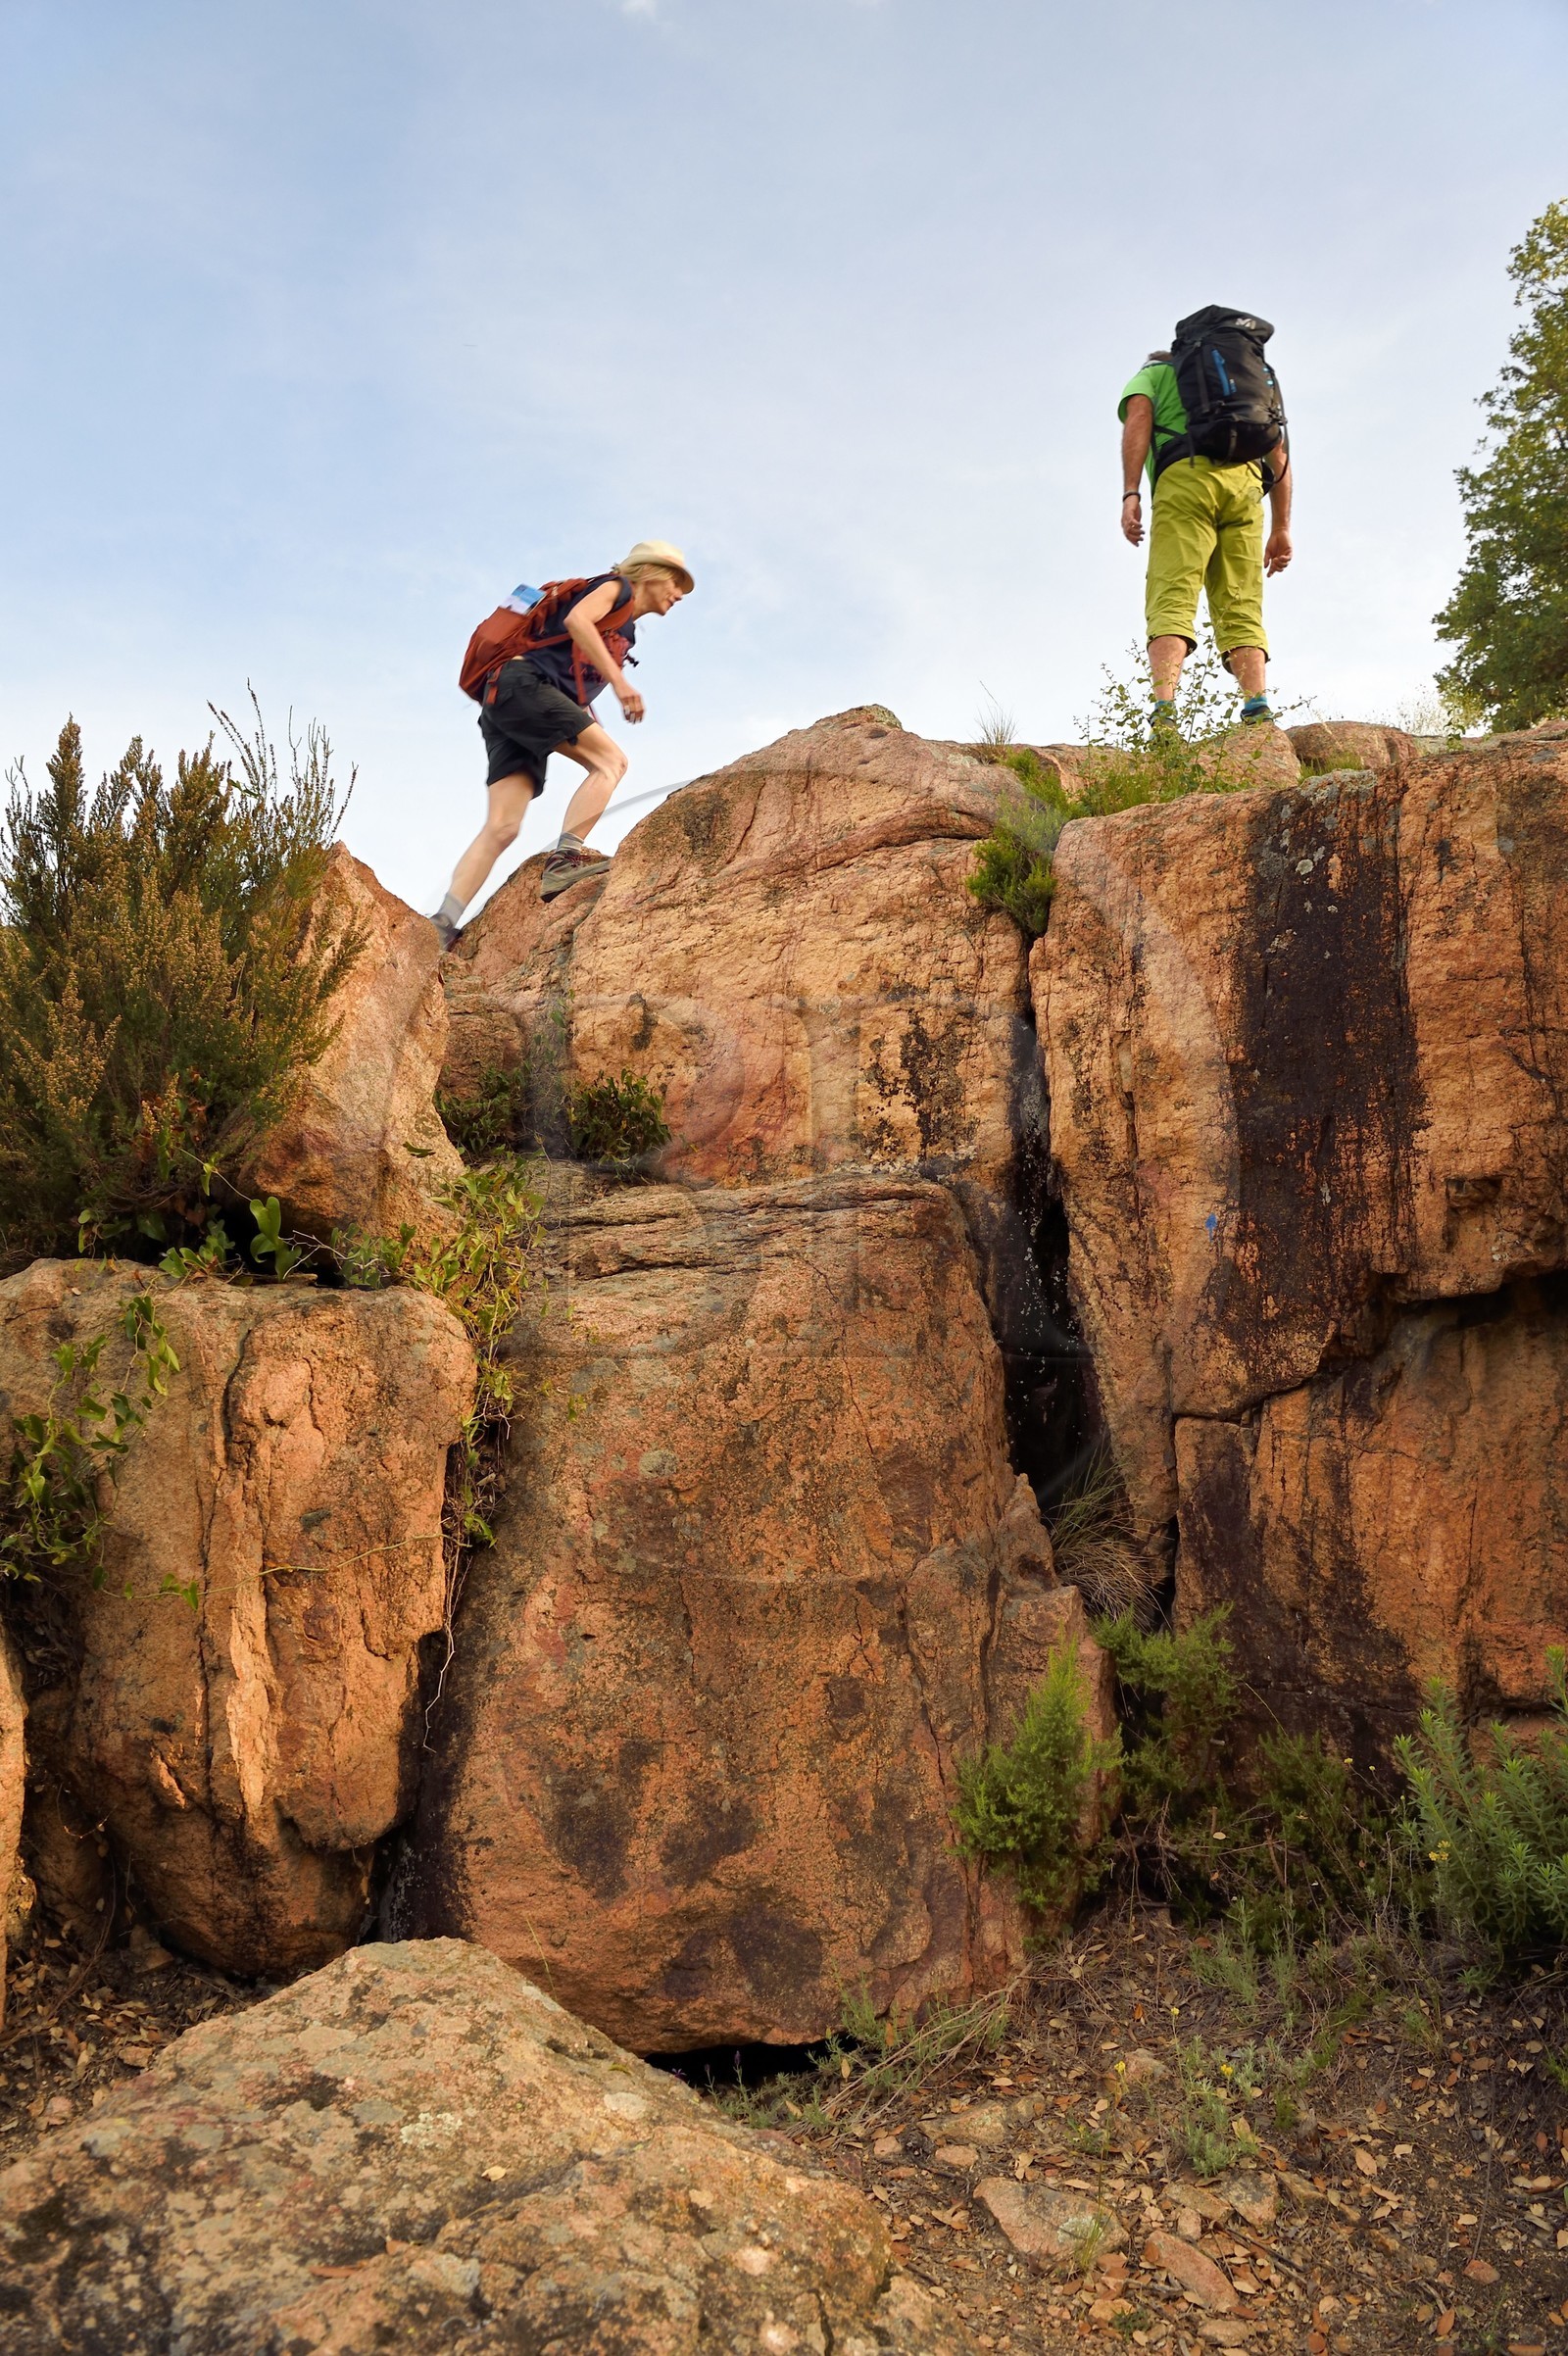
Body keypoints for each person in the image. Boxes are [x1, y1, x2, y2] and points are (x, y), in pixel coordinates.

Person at [430, 539, 693, 945]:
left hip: (505, 700)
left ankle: (441, 926)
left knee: (503, 827)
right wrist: (621, 683)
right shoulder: (615, 587)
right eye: (676, 582)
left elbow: (569, 665)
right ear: (651, 573)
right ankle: (566, 858)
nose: (679, 594)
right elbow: (577, 621)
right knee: (611, 763)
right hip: (521, 686)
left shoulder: (627, 631)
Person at [1118, 330, 1292, 729]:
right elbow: (1277, 449)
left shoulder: (1155, 374)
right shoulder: (1243, 380)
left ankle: (1165, 710)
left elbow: (1139, 416)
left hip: (1185, 479)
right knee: (1241, 598)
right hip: (1246, 484)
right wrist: (1281, 526)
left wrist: (1131, 492)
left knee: (1173, 591)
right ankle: (1257, 706)